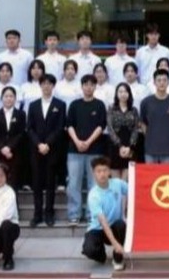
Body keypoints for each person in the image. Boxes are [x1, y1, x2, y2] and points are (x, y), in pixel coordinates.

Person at [66, 75, 107, 225]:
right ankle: (74, 214)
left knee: (94, 184)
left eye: (91, 85)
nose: (89, 87)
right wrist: (77, 141)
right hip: (74, 150)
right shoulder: (74, 105)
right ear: (82, 86)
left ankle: (92, 214)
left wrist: (88, 142)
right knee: (73, 184)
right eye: (86, 84)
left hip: (94, 150)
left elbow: (101, 126)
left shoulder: (99, 105)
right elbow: (69, 125)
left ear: (95, 87)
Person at [27, 74, 67, 227]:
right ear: (40, 85)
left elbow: (60, 127)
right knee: (37, 183)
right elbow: (30, 128)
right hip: (36, 149)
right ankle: (37, 214)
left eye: (49, 83)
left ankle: (49, 213)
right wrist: (39, 144)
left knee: (51, 183)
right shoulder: (33, 105)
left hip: (52, 149)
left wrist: (48, 144)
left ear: (53, 86)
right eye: (43, 83)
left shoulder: (60, 104)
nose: (46, 86)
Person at [81, 157, 128, 271]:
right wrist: (115, 244)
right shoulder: (93, 195)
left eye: (105, 170)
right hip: (98, 228)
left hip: (115, 226)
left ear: (109, 172)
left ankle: (118, 258)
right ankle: (102, 255)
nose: (102, 174)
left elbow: (134, 191)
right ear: (94, 173)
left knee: (121, 225)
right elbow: (103, 222)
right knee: (89, 250)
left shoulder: (118, 184)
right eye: (99, 171)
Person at [141, 69, 169, 164]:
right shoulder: (146, 102)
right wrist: (150, 135)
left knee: (167, 173)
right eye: (159, 80)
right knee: (151, 173)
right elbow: (142, 122)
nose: (162, 83)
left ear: (168, 82)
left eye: (164, 80)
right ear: (154, 82)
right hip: (151, 149)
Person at [0, 87, 27, 188]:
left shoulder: (21, 114)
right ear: (1, 98)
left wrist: (9, 147)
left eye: (11, 96)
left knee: (14, 183)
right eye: (6, 96)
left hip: (15, 152)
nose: (8, 99)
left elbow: (21, 133)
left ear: (15, 98)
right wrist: (2, 148)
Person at [107, 83, 140, 177]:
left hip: (130, 145)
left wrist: (129, 147)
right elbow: (110, 128)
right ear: (116, 94)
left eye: (125, 91)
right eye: (120, 92)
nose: (123, 94)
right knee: (116, 181)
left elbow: (135, 129)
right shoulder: (111, 109)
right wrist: (120, 146)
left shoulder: (133, 110)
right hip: (114, 146)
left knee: (127, 180)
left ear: (129, 94)